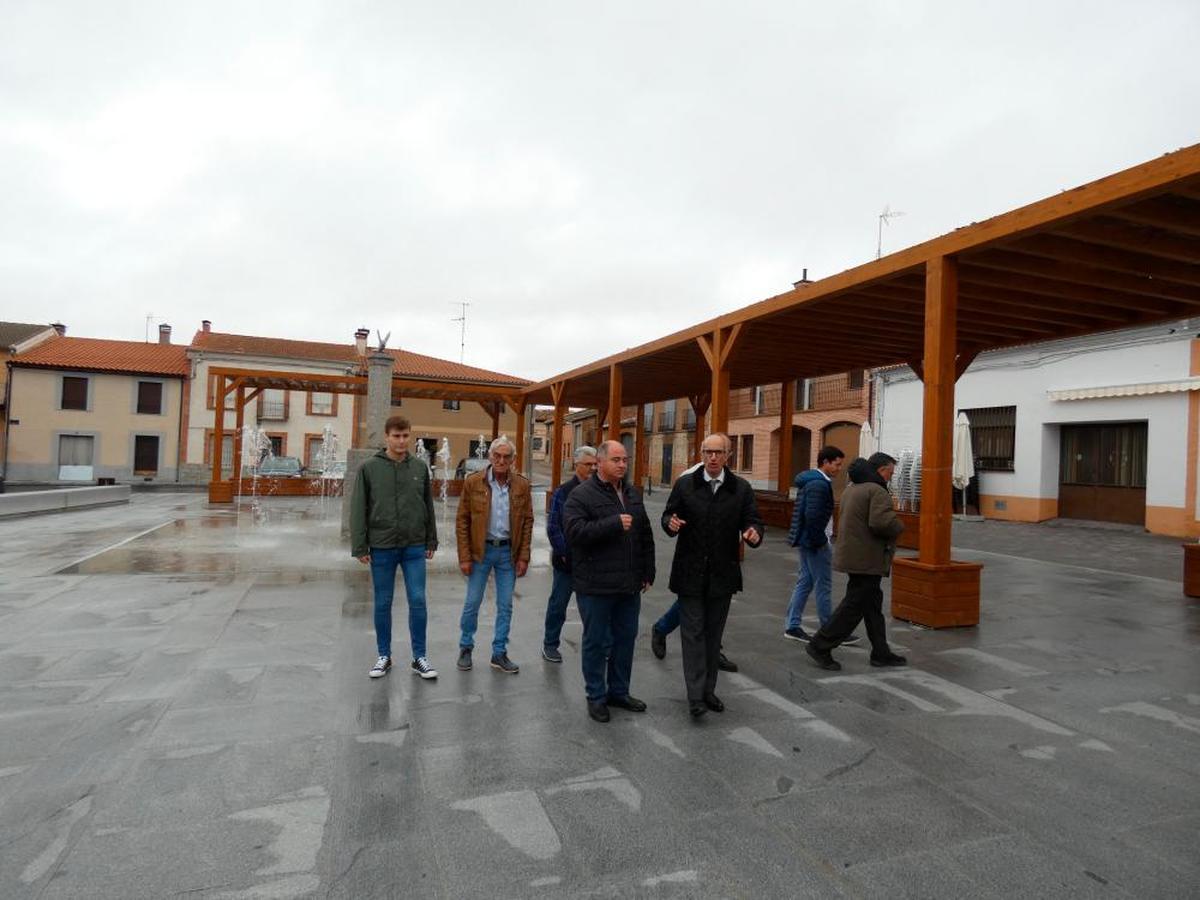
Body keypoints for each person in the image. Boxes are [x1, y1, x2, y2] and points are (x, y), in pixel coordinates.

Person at [662, 433, 762, 718]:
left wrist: (754, 534)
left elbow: (753, 520)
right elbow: (668, 516)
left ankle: (708, 691)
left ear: (728, 455)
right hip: (690, 573)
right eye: (708, 452)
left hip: (722, 574)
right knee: (692, 634)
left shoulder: (740, 488)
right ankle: (695, 696)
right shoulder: (685, 484)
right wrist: (670, 522)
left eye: (719, 452)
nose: (713, 458)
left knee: (712, 635)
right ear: (702, 454)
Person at [564, 440, 655, 723]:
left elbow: (645, 533)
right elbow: (574, 532)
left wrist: (648, 571)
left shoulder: (631, 493)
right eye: (616, 459)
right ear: (600, 463)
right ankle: (596, 696)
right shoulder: (582, 495)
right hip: (596, 585)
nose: (622, 465)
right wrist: (612, 523)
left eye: (625, 460)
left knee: (626, 639)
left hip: (628, 585)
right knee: (595, 643)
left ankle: (619, 692)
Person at [350, 415, 438, 680]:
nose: (401, 441)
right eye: (396, 436)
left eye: (405, 436)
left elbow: (428, 506)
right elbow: (358, 509)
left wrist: (431, 539)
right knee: (383, 602)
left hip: (413, 546)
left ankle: (419, 657)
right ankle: (384, 655)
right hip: (382, 546)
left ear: (410, 436)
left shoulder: (420, 468)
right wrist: (360, 545)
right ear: (387, 437)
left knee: (418, 600)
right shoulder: (369, 468)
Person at [806, 452, 907, 672]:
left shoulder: (853, 488)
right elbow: (881, 522)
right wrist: (899, 526)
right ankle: (820, 645)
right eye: (891, 470)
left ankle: (880, 651)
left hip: (855, 554)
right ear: (881, 470)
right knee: (854, 606)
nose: (892, 475)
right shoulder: (877, 490)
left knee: (871, 605)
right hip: (867, 558)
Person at [456, 436, 533, 674]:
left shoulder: (521, 485)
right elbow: (462, 521)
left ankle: (499, 652)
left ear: (513, 460)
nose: (501, 460)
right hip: (481, 551)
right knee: (472, 603)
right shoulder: (473, 482)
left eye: (506, 457)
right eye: (497, 456)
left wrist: (524, 556)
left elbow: (528, 521)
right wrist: (465, 556)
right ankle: (466, 647)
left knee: (506, 605)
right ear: (490, 457)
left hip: (507, 553)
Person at [783, 446, 860, 646]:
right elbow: (813, 516)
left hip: (807, 540)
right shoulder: (819, 484)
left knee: (805, 581)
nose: (839, 468)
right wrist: (820, 542)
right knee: (823, 585)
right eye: (836, 464)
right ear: (824, 462)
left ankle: (792, 625)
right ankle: (830, 630)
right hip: (816, 542)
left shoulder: (812, 481)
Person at [542, 445, 599, 663]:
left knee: (593, 610)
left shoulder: (600, 490)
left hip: (592, 562)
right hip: (566, 562)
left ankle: (597, 647)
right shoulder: (563, 492)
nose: (593, 468)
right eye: (588, 464)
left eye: (595, 464)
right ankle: (550, 644)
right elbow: (553, 526)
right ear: (577, 465)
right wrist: (564, 551)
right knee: (558, 605)